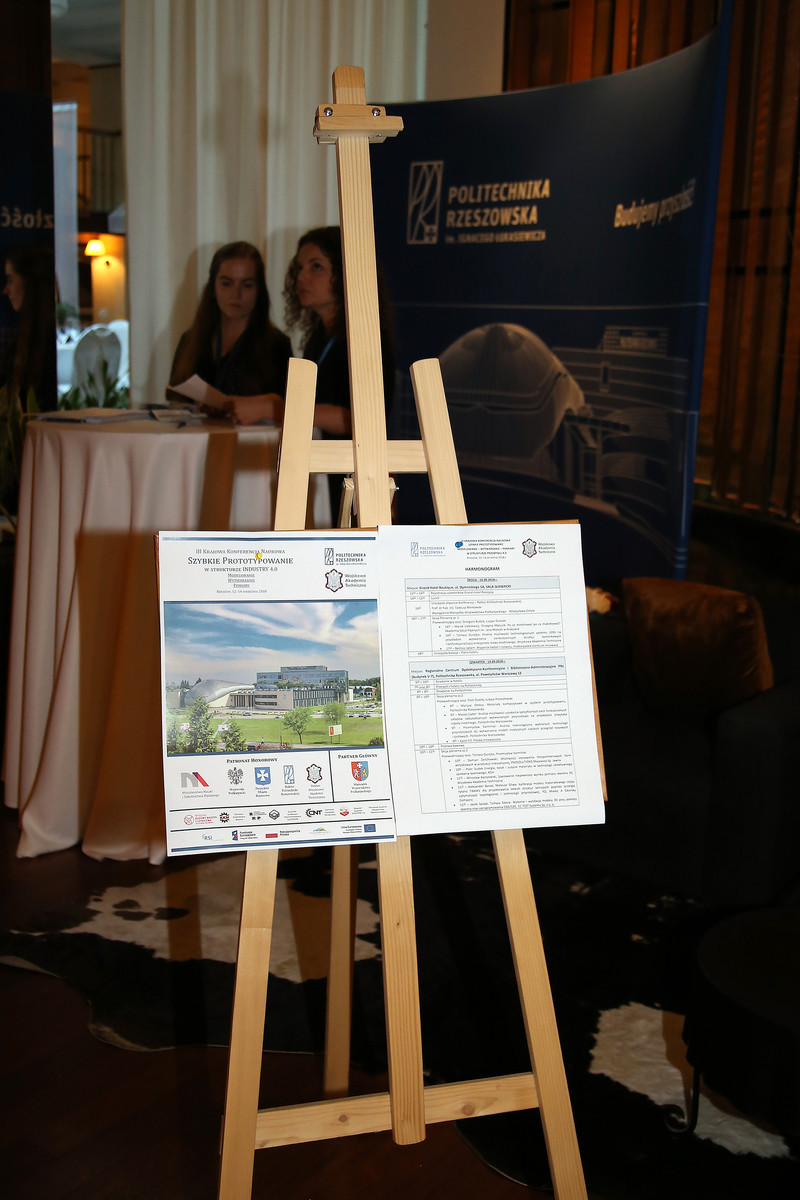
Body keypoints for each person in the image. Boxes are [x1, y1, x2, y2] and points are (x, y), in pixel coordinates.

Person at [226, 226, 394, 515]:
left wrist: (271, 409)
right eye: (300, 267)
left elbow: (353, 419)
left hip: (353, 482)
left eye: (316, 267)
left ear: (346, 273)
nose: (301, 277)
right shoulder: (320, 337)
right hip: (324, 473)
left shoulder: (364, 339)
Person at [169, 241, 291, 408]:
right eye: (226, 283)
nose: (236, 294)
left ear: (259, 291)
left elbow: (286, 408)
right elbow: (175, 398)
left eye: (247, 285)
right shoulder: (190, 340)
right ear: (213, 288)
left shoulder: (277, 345)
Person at [1, 244, 57, 413]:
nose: (6, 290)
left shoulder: (49, 340)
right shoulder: (26, 335)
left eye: (11, 280)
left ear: (28, 282)